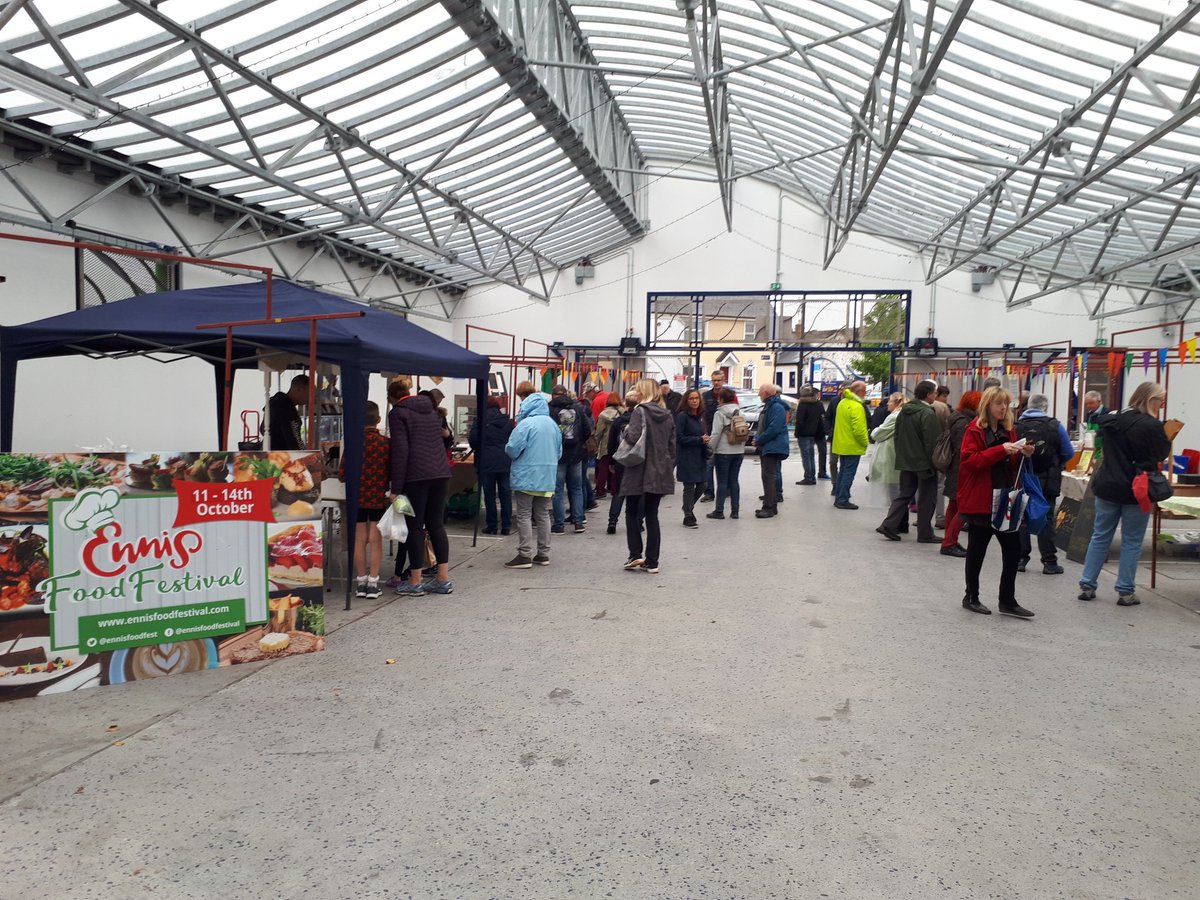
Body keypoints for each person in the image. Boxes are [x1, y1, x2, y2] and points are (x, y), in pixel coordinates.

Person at [1078, 382, 1172, 607]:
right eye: (1161, 400)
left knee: (1100, 536)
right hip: (1137, 488)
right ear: (1151, 400)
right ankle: (1125, 591)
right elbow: (1160, 454)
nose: (1162, 404)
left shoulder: (1113, 418)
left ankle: (1087, 584)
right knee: (1132, 541)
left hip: (1108, 484)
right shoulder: (1151, 425)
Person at [957, 386, 1036, 617]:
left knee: (1013, 550)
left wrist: (1023, 452)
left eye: (1006, 404)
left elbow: (1009, 464)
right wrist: (1001, 450)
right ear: (987, 406)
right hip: (981, 500)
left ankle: (1007, 600)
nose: (1003, 408)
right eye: (998, 403)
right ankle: (971, 596)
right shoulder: (974, 430)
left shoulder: (1009, 429)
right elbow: (970, 462)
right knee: (977, 550)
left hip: (1004, 498)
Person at [388, 376, 453, 596]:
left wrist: (395, 488)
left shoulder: (397, 413)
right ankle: (443, 579)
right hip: (441, 472)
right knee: (436, 525)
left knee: (414, 528)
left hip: (415, 476)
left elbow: (400, 451)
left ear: (392, 398)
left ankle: (415, 581)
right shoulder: (431, 410)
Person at [618, 378, 677, 573]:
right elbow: (672, 445)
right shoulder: (667, 415)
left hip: (638, 467)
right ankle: (652, 561)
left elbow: (633, 437)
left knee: (632, 511)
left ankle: (635, 554)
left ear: (643, 392)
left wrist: (625, 431)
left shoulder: (639, 411)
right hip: (659, 468)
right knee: (652, 514)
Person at [503, 381, 562, 568]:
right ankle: (543, 554)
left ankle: (525, 554)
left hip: (526, 476)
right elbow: (559, 452)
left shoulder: (525, 424)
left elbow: (512, 449)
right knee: (543, 514)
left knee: (524, 514)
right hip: (547, 476)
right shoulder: (552, 425)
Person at [1015, 393, 1074, 575]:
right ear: (1045, 407)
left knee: (1022, 518)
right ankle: (1049, 562)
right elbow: (1069, 452)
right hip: (1048, 478)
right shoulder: (1055, 426)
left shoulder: (1017, 426)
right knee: (1046, 519)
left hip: (1023, 477)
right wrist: (1057, 463)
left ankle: (1020, 559)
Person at [877, 380, 941, 541]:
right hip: (924, 463)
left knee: (904, 494)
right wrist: (936, 462)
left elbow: (897, 436)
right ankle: (925, 533)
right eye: (934, 393)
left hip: (906, 461)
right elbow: (931, 441)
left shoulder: (904, 411)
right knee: (927, 498)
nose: (936, 395)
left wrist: (902, 456)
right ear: (928, 394)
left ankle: (889, 524)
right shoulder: (927, 413)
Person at [343, 401, 388, 600]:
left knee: (359, 538)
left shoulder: (353, 442)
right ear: (378, 420)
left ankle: (360, 582)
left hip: (357, 496)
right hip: (378, 496)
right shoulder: (386, 444)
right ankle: (373, 582)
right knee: (375, 539)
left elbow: (343, 474)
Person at [939, 391, 981, 558]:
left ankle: (950, 541)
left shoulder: (958, 418)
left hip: (956, 469)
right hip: (961, 471)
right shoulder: (964, 422)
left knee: (955, 506)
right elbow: (963, 449)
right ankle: (949, 542)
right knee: (963, 508)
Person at [549, 384, 592, 534]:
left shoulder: (551, 409)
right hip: (576, 454)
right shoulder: (578, 408)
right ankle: (578, 522)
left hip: (558, 455)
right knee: (576, 488)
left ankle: (559, 525)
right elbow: (587, 429)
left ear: (553, 395)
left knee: (558, 490)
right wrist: (579, 442)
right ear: (566, 394)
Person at [468, 395, 514, 536]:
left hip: (486, 461)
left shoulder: (480, 421)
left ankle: (492, 526)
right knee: (505, 494)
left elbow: (473, 441)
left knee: (489, 495)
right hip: (505, 461)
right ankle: (506, 526)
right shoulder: (507, 421)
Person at [605, 391, 640, 534]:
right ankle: (638, 521)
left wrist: (611, 461)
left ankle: (612, 521)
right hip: (637, 458)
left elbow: (611, 442)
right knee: (636, 492)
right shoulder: (640, 421)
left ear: (625, 403)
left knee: (618, 491)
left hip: (620, 458)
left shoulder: (618, 421)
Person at [706, 387, 744, 520]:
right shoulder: (740, 412)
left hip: (723, 451)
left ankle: (719, 510)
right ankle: (735, 511)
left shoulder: (720, 413)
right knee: (734, 481)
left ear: (721, 399)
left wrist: (710, 449)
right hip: (738, 451)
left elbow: (716, 433)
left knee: (722, 482)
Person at [754, 383, 790, 518]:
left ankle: (768, 507)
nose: (759, 394)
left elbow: (773, 429)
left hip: (772, 446)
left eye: (760, 392)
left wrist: (759, 439)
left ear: (767, 393)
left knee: (768, 476)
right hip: (770, 445)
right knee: (769, 476)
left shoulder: (776, 407)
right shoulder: (773, 406)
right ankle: (772, 505)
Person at [830, 380, 868, 509]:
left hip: (841, 443)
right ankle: (843, 499)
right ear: (860, 392)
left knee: (842, 471)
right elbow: (859, 429)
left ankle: (839, 497)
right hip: (852, 445)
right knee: (848, 473)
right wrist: (865, 442)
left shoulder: (842, 403)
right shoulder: (857, 406)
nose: (866, 393)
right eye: (865, 391)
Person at [675, 388, 709, 528]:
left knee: (703, 485)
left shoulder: (701, 416)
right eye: (691, 398)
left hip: (700, 455)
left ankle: (687, 507)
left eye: (697, 398)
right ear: (686, 401)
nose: (694, 401)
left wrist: (705, 439)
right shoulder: (683, 416)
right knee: (689, 486)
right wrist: (699, 440)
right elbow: (679, 437)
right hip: (687, 456)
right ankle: (688, 515)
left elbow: (702, 432)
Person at [866, 392, 905, 509]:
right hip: (895, 453)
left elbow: (877, 434)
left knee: (894, 490)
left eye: (890, 401)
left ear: (897, 403)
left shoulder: (894, 417)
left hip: (890, 454)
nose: (888, 403)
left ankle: (895, 519)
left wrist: (875, 430)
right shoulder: (900, 415)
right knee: (895, 489)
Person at [700, 370, 732, 500]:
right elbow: (702, 413)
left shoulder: (729, 395)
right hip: (710, 434)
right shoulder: (706, 395)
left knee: (723, 465)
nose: (716, 383)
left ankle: (725, 489)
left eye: (719, 380)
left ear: (723, 380)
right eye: (714, 380)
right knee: (709, 465)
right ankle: (709, 492)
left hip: (725, 436)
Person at [792, 385, 825, 485]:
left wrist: (797, 433)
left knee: (805, 456)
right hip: (813, 434)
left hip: (803, 434)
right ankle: (812, 476)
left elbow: (800, 421)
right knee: (811, 456)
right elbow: (821, 419)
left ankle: (808, 477)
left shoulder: (803, 404)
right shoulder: (818, 403)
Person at [593, 392, 622, 500]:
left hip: (606, 444)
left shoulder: (603, 414)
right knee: (615, 466)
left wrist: (597, 443)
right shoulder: (623, 413)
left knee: (603, 467)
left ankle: (600, 490)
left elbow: (599, 432)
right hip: (620, 444)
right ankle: (614, 488)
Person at [267, 373, 309, 450]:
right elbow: (294, 440)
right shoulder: (288, 410)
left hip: (271, 452)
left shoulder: (274, 404)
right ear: (298, 389)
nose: (309, 398)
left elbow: (262, 429)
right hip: (283, 456)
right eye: (308, 393)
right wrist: (303, 453)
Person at [932, 385, 952, 527]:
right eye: (944, 396)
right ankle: (939, 517)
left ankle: (922, 517)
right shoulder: (944, 408)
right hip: (941, 451)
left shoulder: (927, 407)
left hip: (925, 451)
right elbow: (948, 429)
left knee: (924, 486)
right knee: (940, 485)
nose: (945, 399)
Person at [825, 382, 845, 492]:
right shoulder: (834, 401)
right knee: (833, 461)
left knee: (844, 463)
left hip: (847, 437)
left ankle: (842, 485)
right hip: (834, 436)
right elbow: (828, 417)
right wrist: (828, 430)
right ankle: (835, 483)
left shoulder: (855, 402)